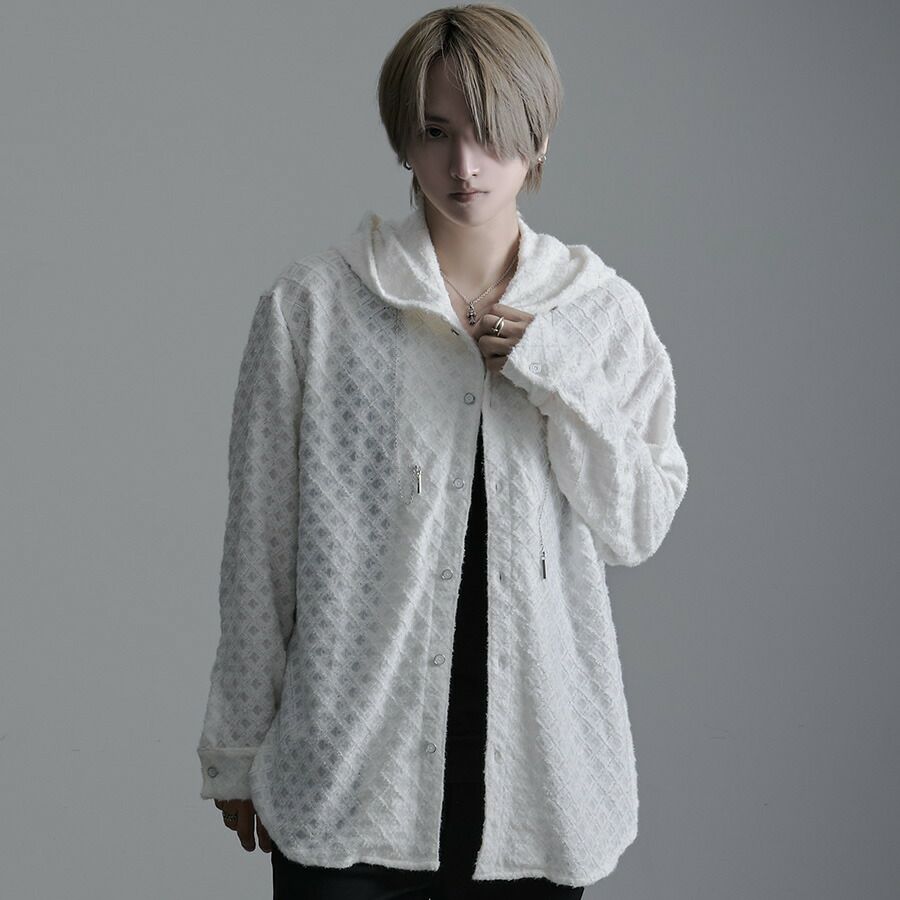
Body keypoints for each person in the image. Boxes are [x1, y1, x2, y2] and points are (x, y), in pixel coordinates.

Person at [197, 4, 689, 898]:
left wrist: (555, 371)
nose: (464, 165)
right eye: (435, 132)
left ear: (538, 138)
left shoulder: (600, 315)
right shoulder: (314, 307)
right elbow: (259, 548)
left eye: (490, 133)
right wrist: (235, 747)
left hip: (539, 787)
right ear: (403, 139)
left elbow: (639, 524)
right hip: (347, 780)